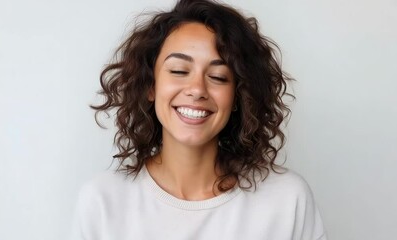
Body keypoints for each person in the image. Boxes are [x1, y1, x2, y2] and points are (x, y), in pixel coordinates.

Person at [71, 0, 327, 239]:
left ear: (239, 96)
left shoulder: (287, 200)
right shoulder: (102, 201)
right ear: (151, 86)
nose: (197, 89)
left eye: (218, 76)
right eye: (179, 71)